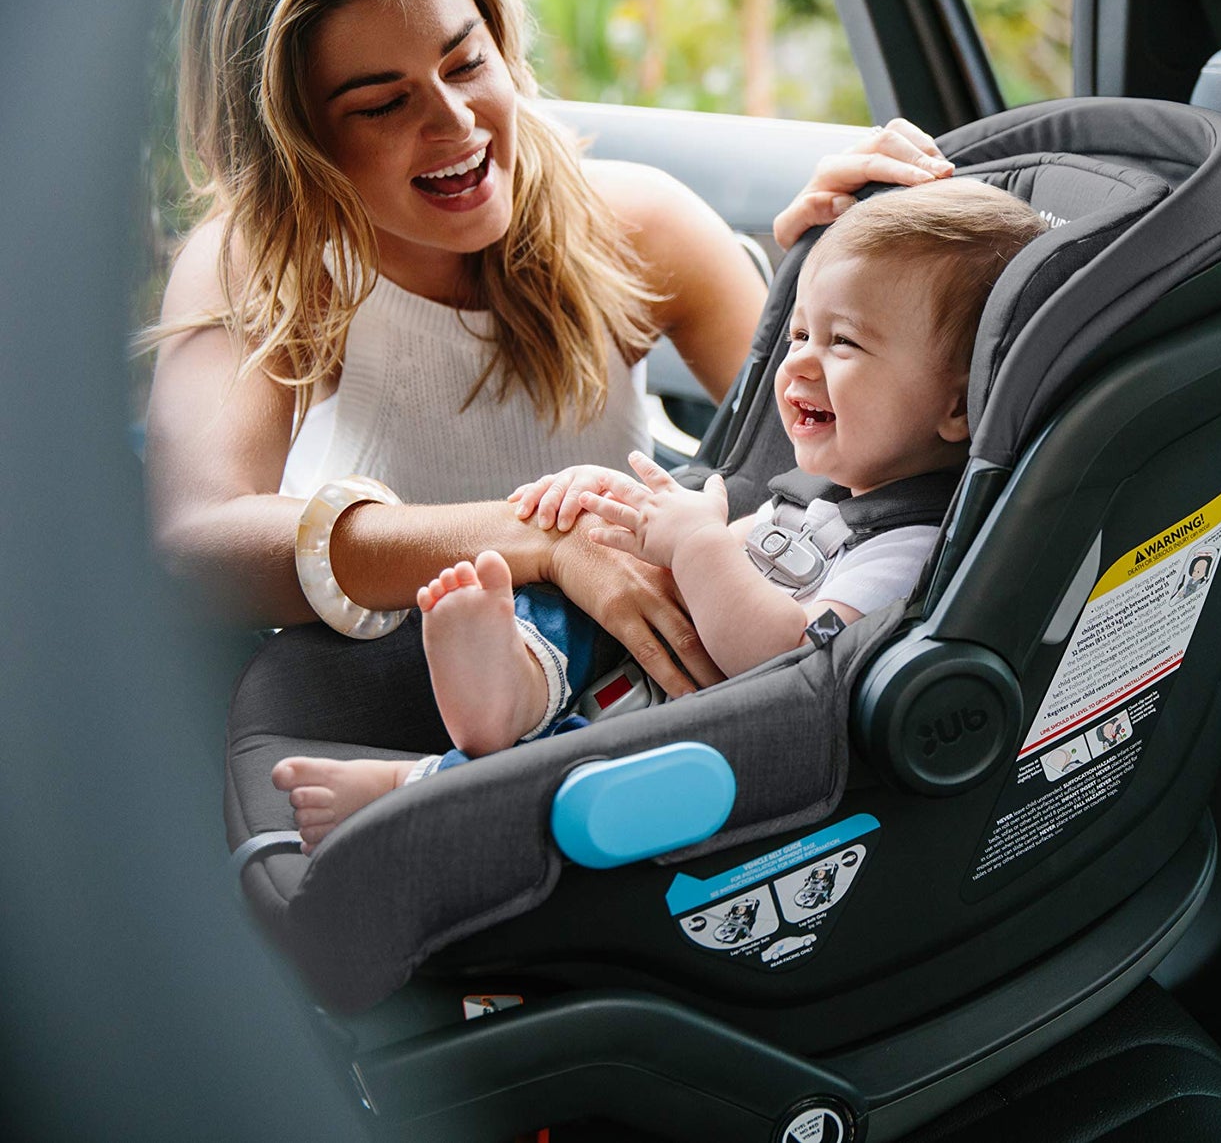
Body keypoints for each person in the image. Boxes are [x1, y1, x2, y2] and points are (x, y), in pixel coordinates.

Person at [144, 0, 957, 695]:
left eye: (466, 63)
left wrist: (837, 268)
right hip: (389, 708)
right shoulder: (259, 263)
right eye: (385, 104)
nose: (455, 122)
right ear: (294, 144)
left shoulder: (637, 223)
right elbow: (194, 546)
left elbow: (846, 460)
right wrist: (543, 543)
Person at [272, 180, 1048, 849]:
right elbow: (685, 542)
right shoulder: (822, 495)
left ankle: (417, 788)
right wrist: (614, 506)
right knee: (576, 598)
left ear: (956, 407)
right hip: (644, 675)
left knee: (588, 771)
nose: (799, 361)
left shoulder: (910, 548)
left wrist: (700, 543)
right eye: (801, 332)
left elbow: (791, 660)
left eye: (842, 343)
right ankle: (510, 678)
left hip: (702, 740)